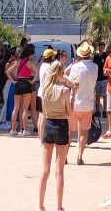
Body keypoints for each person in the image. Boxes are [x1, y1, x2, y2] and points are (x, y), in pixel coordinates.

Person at [38, 60, 78, 211]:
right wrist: (74, 93)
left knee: (44, 169)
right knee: (59, 170)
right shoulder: (64, 90)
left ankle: (40, 205)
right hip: (61, 125)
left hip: (48, 125)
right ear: (61, 73)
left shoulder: (45, 89)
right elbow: (69, 112)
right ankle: (59, 206)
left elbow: (44, 112)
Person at [65, 40, 97, 164]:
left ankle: (65, 156)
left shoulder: (75, 67)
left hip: (74, 103)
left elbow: (70, 82)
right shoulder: (95, 67)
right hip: (88, 103)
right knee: (84, 131)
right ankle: (80, 156)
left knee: (69, 131)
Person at [10, 42, 38, 135]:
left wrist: (13, 81)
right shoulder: (29, 63)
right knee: (25, 108)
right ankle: (25, 130)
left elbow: (8, 71)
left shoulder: (17, 62)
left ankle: (13, 129)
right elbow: (36, 72)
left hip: (18, 83)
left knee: (16, 108)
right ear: (30, 54)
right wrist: (33, 81)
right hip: (26, 84)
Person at [37, 48, 58, 139]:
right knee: (43, 117)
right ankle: (41, 138)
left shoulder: (43, 65)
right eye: (53, 55)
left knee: (41, 116)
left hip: (41, 92)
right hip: (45, 93)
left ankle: (40, 137)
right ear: (51, 57)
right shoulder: (49, 67)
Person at [93, 41, 107, 117]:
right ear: (98, 47)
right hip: (97, 78)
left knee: (104, 96)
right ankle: (98, 111)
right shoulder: (95, 56)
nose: (101, 48)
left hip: (104, 79)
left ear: (104, 47)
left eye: (102, 47)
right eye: (100, 47)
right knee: (97, 96)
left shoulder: (106, 56)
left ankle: (104, 111)